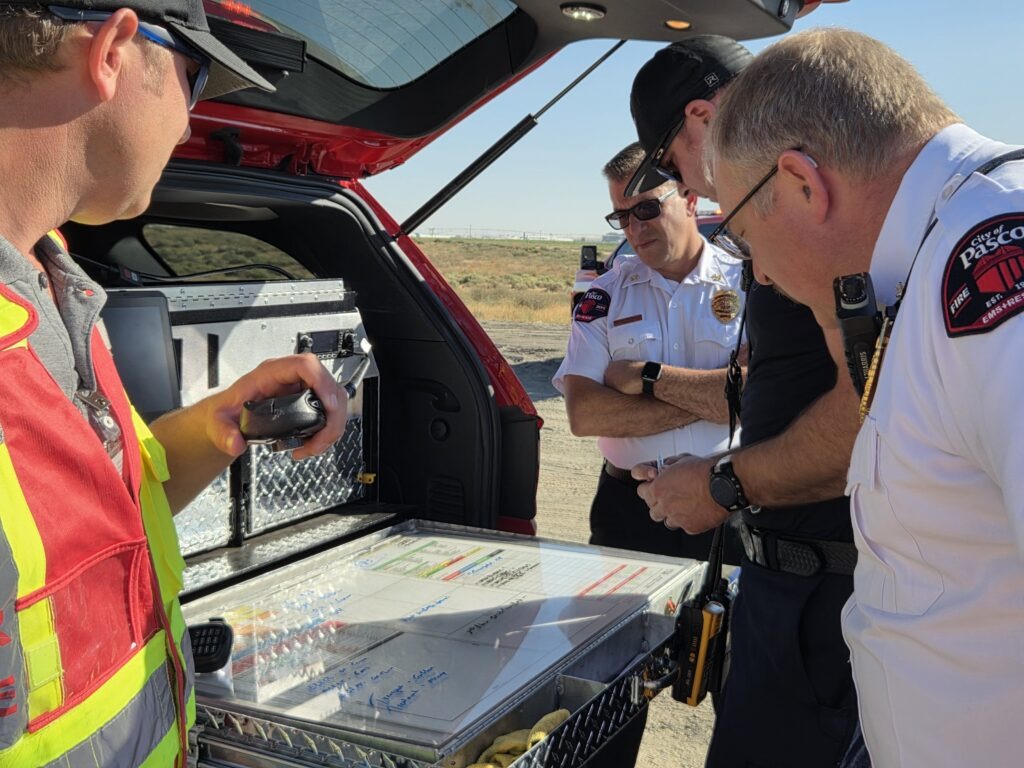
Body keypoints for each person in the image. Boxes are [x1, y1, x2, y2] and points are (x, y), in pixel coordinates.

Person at [0, 3, 348, 766]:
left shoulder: (55, 290)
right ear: (115, 52)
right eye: (195, 79)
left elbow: (94, 528)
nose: (193, 122)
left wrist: (225, 420)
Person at [707, 26, 1024, 767]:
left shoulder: (992, 263)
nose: (756, 275)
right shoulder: (934, 257)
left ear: (803, 184)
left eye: (745, 237)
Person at [626, 36, 865, 766]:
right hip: (790, 584)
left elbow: (871, 416)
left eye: (669, 163)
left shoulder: (818, 218)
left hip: (821, 595)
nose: (687, 189)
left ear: (702, 114)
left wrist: (720, 487)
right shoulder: (801, 211)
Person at [553, 142, 744, 563]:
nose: (634, 229)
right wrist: (718, 399)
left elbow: (763, 391)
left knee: (730, 626)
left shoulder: (749, 284)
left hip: (729, 499)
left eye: (646, 209)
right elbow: (584, 415)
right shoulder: (603, 296)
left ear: (690, 199)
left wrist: (647, 378)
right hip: (629, 509)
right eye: (622, 217)